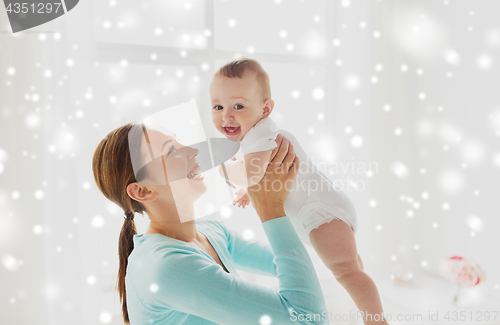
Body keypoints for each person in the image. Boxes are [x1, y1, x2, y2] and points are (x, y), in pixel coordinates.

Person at [92, 122, 329, 325]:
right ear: (143, 191)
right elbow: (308, 318)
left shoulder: (210, 232)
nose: (193, 151)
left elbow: (289, 267)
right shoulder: (167, 267)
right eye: (171, 151)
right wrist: (270, 210)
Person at [210, 58, 389, 325]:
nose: (227, 115)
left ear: (266, 108)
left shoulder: (261, 134)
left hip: (321, 214)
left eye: (238, 106)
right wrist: (249, 189)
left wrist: (221, 169)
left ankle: (377, 321)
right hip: (319, 213)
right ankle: (370, 311)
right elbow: (263, 173)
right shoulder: (255, 136)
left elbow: (252, 171)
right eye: (218, 106)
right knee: (352, 268)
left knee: (347, 271)